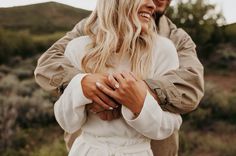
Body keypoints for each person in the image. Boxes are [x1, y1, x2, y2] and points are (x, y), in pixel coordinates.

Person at [34, 0, 204, 155]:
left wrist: (133, 93)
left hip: (155, 148)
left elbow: (192, 85)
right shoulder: (85, 32)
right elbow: (49, 62)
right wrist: (86, 87)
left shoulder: (175, 40)